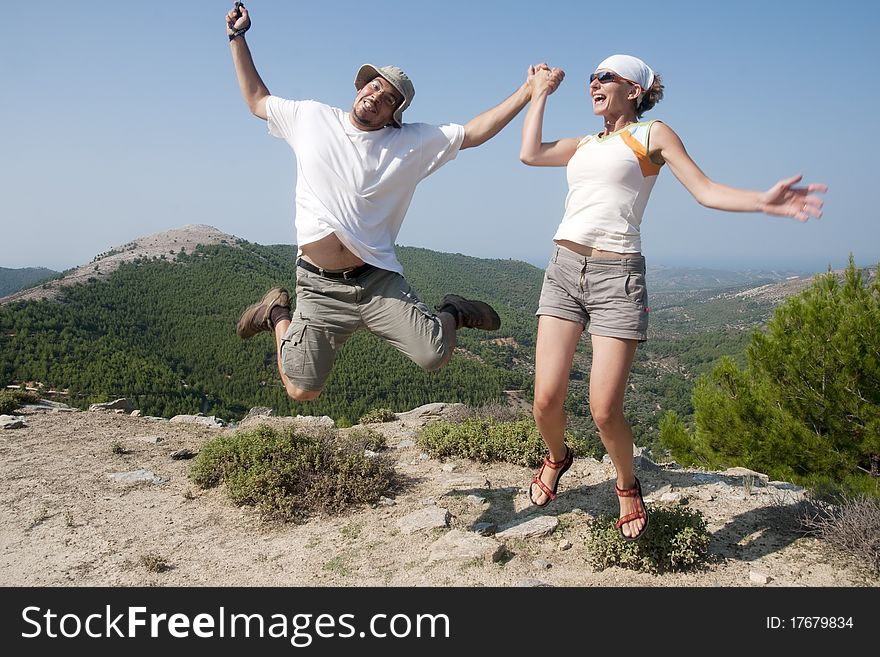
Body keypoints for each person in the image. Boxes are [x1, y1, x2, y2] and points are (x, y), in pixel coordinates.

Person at [520, 55, 826, 540]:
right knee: (544, 401)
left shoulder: (651, 135)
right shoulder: (582, 143)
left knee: (604, 409)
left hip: (616, 275)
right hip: (562, 270)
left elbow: (704, 191)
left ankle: (626, 483)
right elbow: (530, 153)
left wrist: (762, 201)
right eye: (592, 78)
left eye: (606, 78)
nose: (594, 84)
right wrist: (537, 94)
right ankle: (557, 458)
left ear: (635, 90)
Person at [226, 4, 556, 401]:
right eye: (374, 85)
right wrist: (237, 37)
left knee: (435, 355)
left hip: (376, 279)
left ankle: (453, 309)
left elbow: (473, 133)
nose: (376, 95)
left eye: (388, 97)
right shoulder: (311, 117)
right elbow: (255, 99)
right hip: (318, 286)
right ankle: (277, 312)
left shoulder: (410, 143)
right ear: (360, 87)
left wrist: (528, 90)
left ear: (395, 114)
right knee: (300, 390)